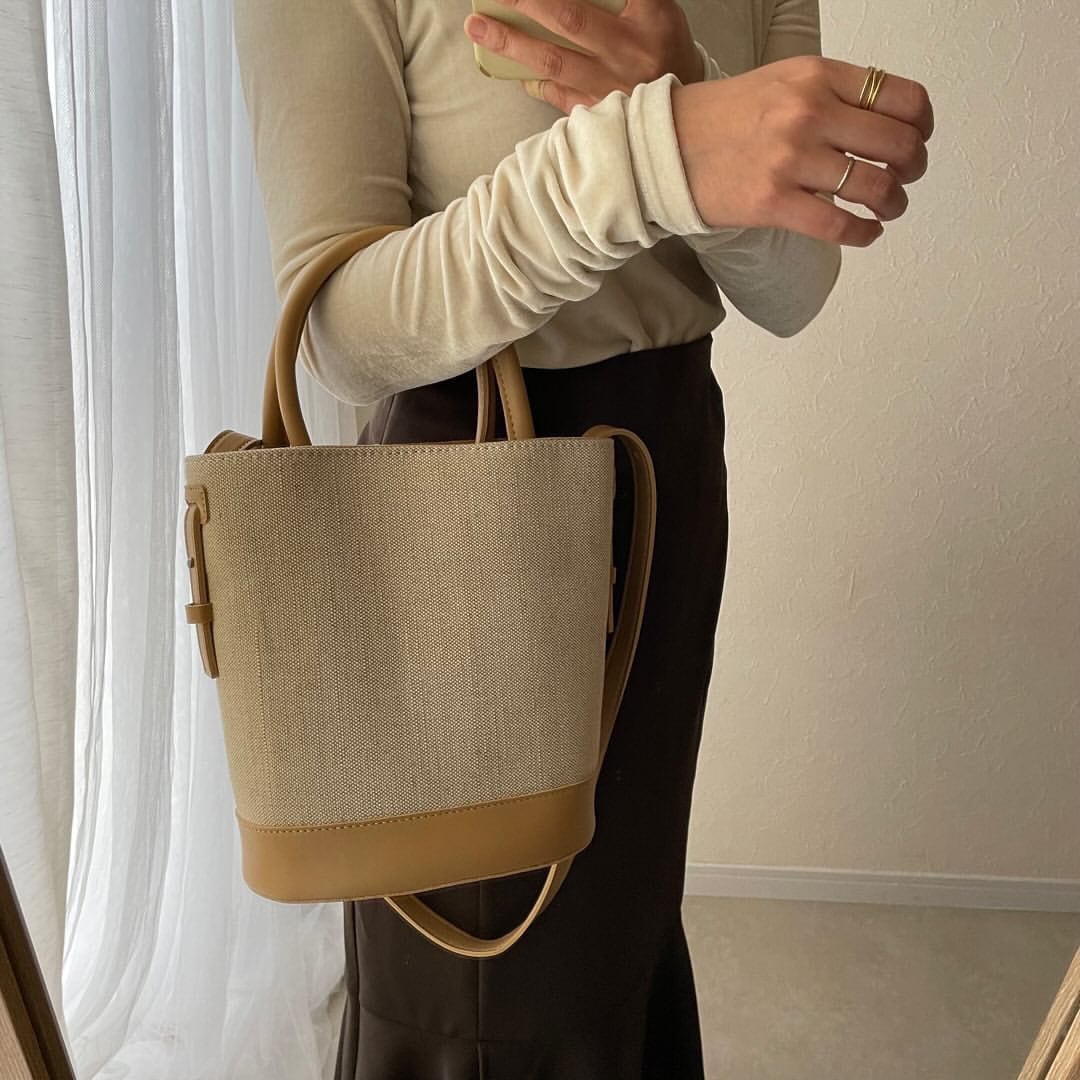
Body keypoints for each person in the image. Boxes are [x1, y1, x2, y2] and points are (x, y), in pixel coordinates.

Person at [233, 1, 933, 1076]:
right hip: (465, 491)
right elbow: (336, 330)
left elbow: (793, 288)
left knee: (617, 933)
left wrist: (686, 99)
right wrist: (644, 154)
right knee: (483, 976)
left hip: (669, 460)